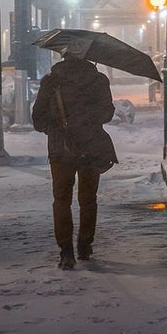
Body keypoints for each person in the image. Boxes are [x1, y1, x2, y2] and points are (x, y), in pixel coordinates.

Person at [31, 47, 118, 270]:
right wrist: (86, 120)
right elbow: (107, 114)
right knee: (88, 199)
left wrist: (57, 126)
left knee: (62, 199)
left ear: (63, 55)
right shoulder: (98, 80)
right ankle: (85, 245)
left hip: (61, 149)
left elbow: (38, 120)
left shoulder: (51, 81)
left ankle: (66, 252)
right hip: (90, 146)